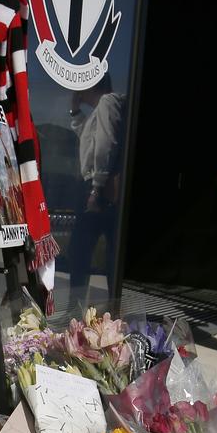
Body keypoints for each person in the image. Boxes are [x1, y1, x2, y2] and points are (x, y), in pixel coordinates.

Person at [68, 75, 126, 309]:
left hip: (98, 187)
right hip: (100, 186)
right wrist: (75, 111)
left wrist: (96, 188)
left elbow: (104, 144)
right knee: (105, 250)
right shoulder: (103, 108)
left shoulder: (106, 102)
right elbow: (89, 139)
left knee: (79, 251)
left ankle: (76, 308)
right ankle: (108, 309)